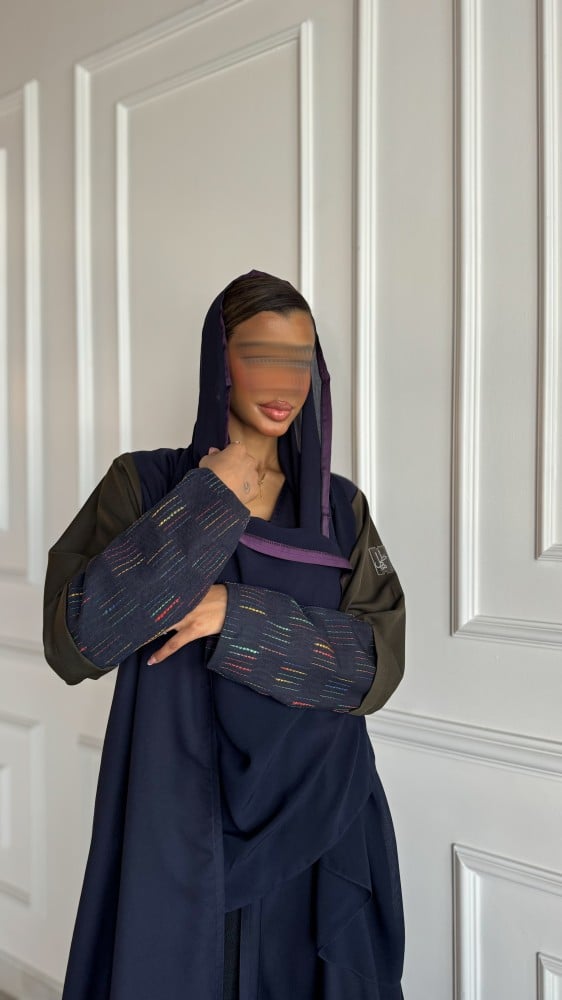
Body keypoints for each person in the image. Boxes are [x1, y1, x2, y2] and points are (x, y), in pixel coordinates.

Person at [43, 269, 407, 999]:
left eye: (299, 360)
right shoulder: (146, 485)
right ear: (220, 363)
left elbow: (375, 665)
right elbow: (75, 640)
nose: (283, 382)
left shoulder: (339, 510)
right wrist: (208, 502)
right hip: (181, 807)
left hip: (320, 814)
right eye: (259, 355)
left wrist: (234, 616)